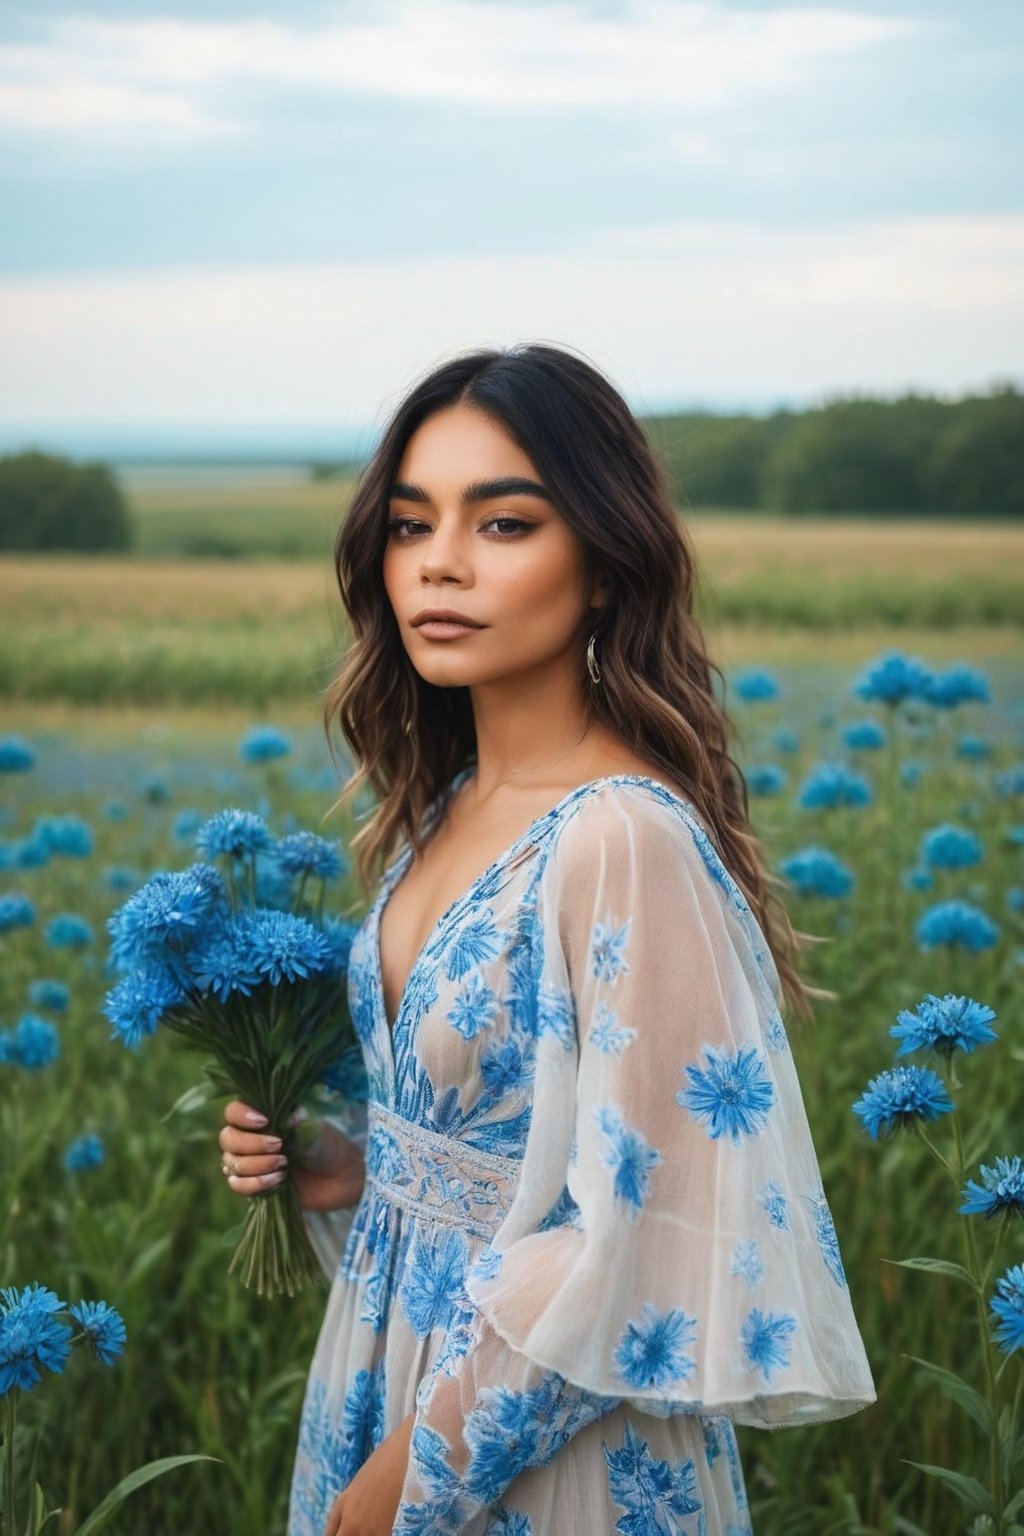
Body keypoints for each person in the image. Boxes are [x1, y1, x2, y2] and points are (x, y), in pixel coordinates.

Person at [218, 342, 876, 1536]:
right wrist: (357, 1170)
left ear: (606, 567)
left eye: (504, 524)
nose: (441, 566)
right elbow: (513, 1146)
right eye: (411, 526)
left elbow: (648, 1229)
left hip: (540, 1449)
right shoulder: (439, 811)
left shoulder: (621, 836)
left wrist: (414, 1476)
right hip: (390, 1377)